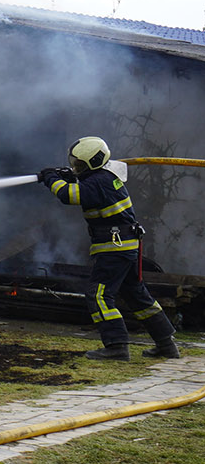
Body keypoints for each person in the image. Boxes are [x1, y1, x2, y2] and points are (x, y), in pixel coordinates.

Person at [37, 136, 179, 362]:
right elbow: (83, 184)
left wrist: (51, 178)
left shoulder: (98, 182)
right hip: (125, 245)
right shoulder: (103, 176)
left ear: (95, 161)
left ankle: (116, 347)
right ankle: (166, 345)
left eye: (80, 165)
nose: (77, 168)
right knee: (136, 295)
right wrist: (68, 175)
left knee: (99, 295)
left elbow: (68, 195)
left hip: (115, 247)